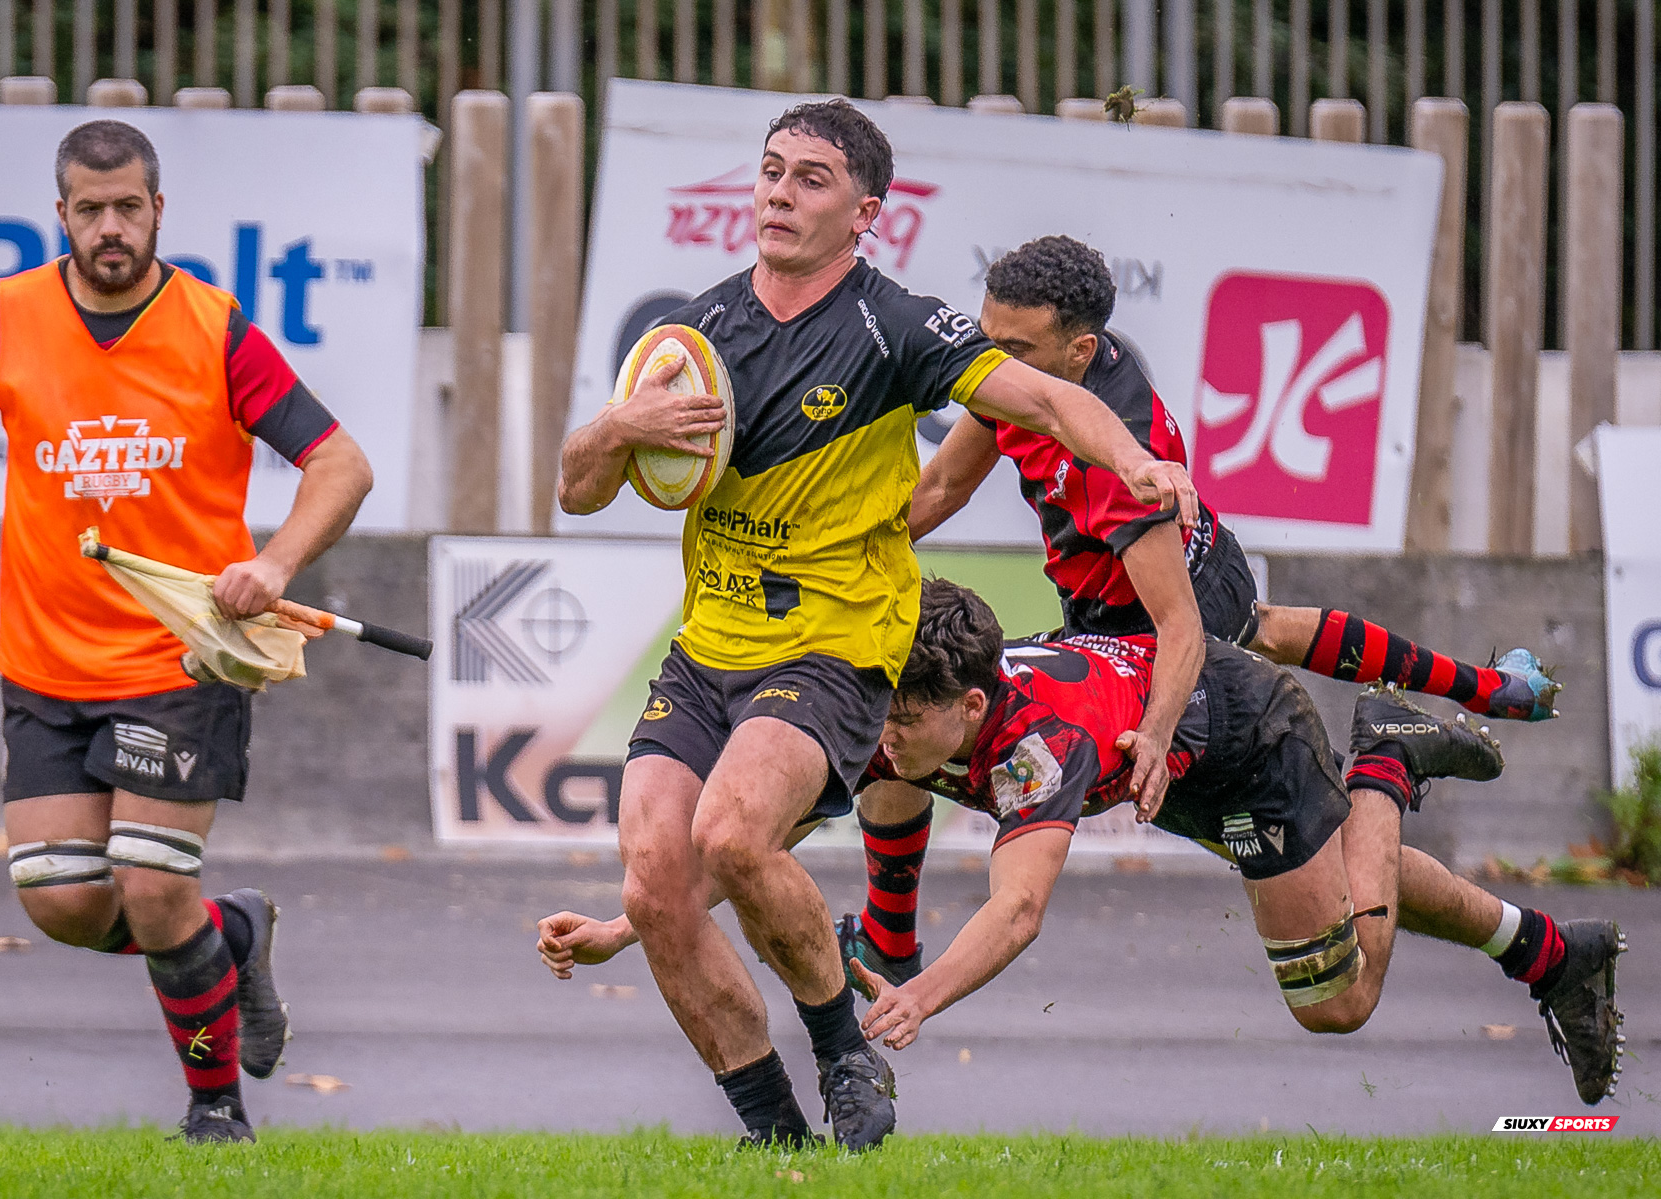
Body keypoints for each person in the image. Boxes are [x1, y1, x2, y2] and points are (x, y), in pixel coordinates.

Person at [553, 99, 1197, 1150]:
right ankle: (776, 1136)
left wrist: (1131, 459)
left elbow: (1040, 400)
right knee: (656, 881)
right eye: (769, 171)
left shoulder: (896, 326)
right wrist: (622, 423)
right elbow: (578, 489)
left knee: (731, 832)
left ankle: (842, 1047)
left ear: (866, 213)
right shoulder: (695, 334)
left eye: (810, 178)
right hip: (708, 644)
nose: (777, 192)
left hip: (835, 645)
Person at [836, 234, 1561, 992]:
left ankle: (1430, 728)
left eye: (1010, 345)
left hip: (1161, 615)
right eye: (987, 337)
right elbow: (940, 490)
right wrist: (833, 554)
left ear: (1080, 350)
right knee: (1309, 783)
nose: (986, 361)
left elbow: (1177, 630)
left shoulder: (1118, 465)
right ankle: (1529, 924)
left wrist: (1152, 738)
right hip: (1108, 602)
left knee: (1261, 658)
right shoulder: (1022, 377)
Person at [0, 120, 374, 1144]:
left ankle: (216, 1110)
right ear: (60, 214)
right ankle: (231, 936)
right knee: (62, 899)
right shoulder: (10, 314)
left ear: (159, 209)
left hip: (179, 656)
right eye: (88, 208)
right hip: (43, 659)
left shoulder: (214, 326)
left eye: (128, 207)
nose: (109, 227)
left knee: (155, 886)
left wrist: (274, 562)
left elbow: (341, 464)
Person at [847, 579, 1625, 1107]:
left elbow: (1017, 909)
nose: (887, 732)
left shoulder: (1035, 749)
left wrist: (919, 996)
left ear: (972, 704)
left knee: (1338, 999)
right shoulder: (921, 700)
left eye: (904, 721)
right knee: (1348, 869)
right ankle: (1545, 950)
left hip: (1248, 743)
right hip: (1168, 746)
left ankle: (1386, 760)